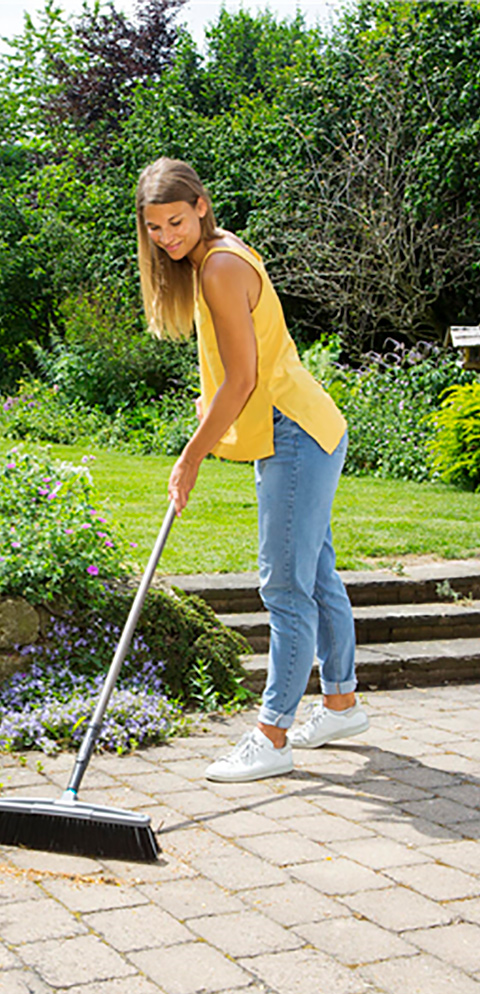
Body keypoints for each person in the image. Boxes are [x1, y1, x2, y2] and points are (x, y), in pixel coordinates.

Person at [135, 157, 369, 782]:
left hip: (294, 433)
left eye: (176, 221)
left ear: (202, 207)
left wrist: (190, 457)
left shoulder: (218, 268)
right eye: (154, 228)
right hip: (305, 427)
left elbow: (241, 381)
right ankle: (340, 702)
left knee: (284, 589)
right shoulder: (219, 256)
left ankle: (272, 735)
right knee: (314, 573)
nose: (167, 237)